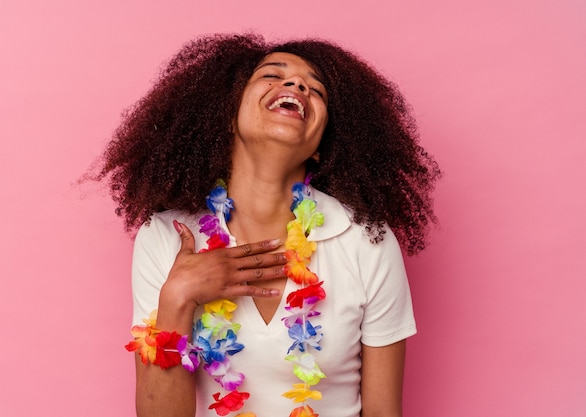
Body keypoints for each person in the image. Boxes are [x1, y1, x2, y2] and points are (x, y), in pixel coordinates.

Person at [98, 33, 440, 417]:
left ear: (320, 145)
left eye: (317, 90)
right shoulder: (168, 235)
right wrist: (179, 295)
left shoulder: (365, 240)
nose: (297, 85)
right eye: (272, 75)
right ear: (228, 116)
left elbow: (383, 412)